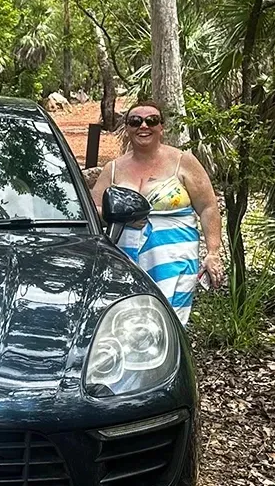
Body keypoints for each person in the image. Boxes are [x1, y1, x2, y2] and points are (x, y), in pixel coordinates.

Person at [90, 101, 224, 325]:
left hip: (175, 257)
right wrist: (121, 214)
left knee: (168, 322)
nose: (143, 126)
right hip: (125, 258)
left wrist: (213, 252)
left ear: (162, 127)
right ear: (127, 127)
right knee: (128, 320)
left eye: (151, 120)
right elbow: (94, 210)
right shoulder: (112, 168)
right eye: (135, 121)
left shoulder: (184, 162)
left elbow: (208, 207)